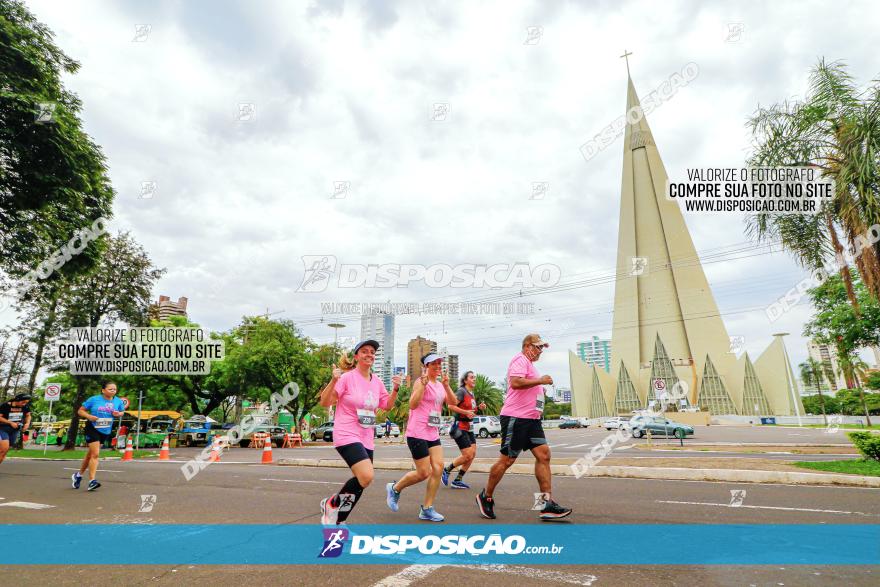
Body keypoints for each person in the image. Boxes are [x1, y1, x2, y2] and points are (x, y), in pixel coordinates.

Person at [476, 334, 571, 520]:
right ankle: (485, 496)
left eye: (542, 348)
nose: (540, 351)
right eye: (537, 347)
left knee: (544, 455)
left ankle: (546, 505)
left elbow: (526, 385)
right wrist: (541, 381)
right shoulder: (519, 359)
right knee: (507, 461)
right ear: (527, 346)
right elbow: (516, 382)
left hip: (531, 419)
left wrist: (539, 390)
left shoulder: (530, 366)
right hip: (515, 418)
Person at [318, 340, 400, 525]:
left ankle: (338, 520)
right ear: (356, 356)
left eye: (372, 352)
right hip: (346, 433)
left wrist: (395, 389)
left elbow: (386, 405)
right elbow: (325, 402)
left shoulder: (377, 381)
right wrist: (333, 380)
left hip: (366, 436)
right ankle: (332, 504)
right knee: (367, 475)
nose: (369, 354)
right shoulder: (347, 378)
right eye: (364, 351)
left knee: (362, 481)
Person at [385, 353, 458, 522]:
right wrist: (423, 386)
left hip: (432, 432)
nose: (438, 366)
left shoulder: (440, 385)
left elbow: (453, 403)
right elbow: (412, 404)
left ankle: (427, 508)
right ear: (426, 366)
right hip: (417, 432)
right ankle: (395, 488)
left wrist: (447, 386)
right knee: (424, 472)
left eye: (440, 363)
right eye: (434, 363)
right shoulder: (420, 381)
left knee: (438, 468)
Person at [72, 381, 125, 491]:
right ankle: (92, 481)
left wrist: (118, 414)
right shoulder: (94, 399)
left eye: (115, 389)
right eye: (110, 389)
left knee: (90, 455)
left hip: (105, 430)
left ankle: (78, 475)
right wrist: (89, 416)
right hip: (92, 427)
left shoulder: (118, 401)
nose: (113, 391)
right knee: (95, 454)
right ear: (103, 390)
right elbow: (80, 411)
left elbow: (122, 412)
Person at [442, 371, 486, 489]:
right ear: (465, 380)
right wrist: (465, 412)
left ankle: (458, 480)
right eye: (472, 377)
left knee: (472, 454)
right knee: (467, 455)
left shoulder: (471, 394)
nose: (474, 379)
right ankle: (446, 470)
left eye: (474, 377)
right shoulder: (462, 391)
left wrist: (478, 408)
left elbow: (470, 412)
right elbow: (451, 405)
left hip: (468, 427)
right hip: (459, 427)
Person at [0, 393, 32, 466]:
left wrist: (27, 424)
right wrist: (10, 423)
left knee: (4, 452)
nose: (24, 404)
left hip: (14, 430)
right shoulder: (5, 406)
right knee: (3, 449)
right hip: (2, 429)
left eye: (26, 402)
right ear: (17, 400)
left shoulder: (25, 407)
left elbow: (28, 415)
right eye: (23, 402)